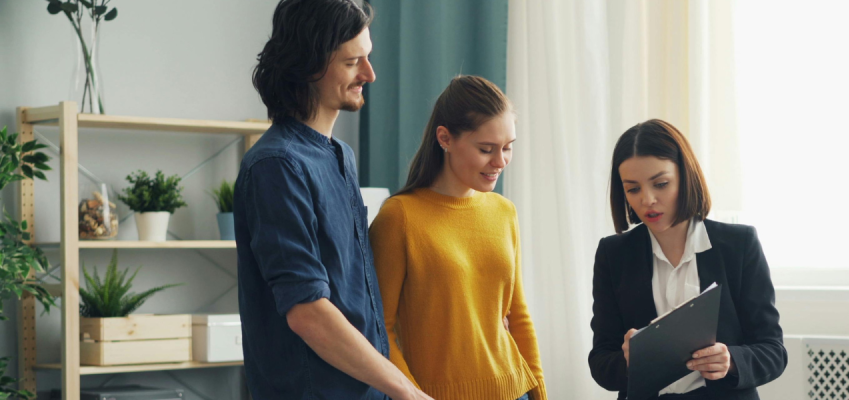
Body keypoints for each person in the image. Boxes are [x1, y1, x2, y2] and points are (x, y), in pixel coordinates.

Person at [236, 1, 431, 399]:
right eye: (352, 62)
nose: (369, 74)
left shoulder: (341, 156)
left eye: (368, 58)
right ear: (310, 65)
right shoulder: (276, 166)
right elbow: (308, 312)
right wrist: (407, 391)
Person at [370, 75, 546, 400]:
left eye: (508, 148)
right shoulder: (400, 217)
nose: (500, 161)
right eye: (486, 149)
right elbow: (380, 329)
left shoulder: (504, 212)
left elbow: (517, 315)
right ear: (445, 138)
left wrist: (540, 393)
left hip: (515, 389)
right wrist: (412, 394)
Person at [589, 119, 787, 399]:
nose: (647, 200)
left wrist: (731, 360)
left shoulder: (738, 245)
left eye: (661, 184)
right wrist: (629, 361)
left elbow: (773, 351)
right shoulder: (614, 254)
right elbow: (600, 363)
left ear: (686, 176)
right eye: (633, 189)